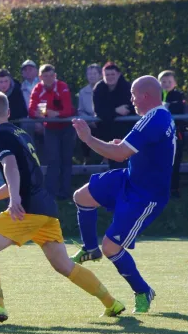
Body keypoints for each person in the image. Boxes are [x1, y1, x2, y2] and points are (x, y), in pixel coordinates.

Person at [0, 92, 125, 322]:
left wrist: (15, 200)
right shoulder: (22, 134)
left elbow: (11, 167)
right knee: (64, 265)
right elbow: (21, 176)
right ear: (8, 113)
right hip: (46, 209)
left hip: (27, 209)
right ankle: (112, 302)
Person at [71, 76, 175, 314]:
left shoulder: (154, 119)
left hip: (145, 195)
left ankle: (142, 290)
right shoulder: (157, 116)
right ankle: (90, 248)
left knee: (111, 247)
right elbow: (134, 150)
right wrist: (123, 147)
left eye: (134, 95)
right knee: (82, 197)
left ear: (146, 96)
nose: (131, 100)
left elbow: (118, 154)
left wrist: (88, 138)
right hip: (130, 179)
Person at [28, 64, 75, 200]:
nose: (48, 79)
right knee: (53, 160)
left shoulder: (62, 86)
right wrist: (38, 114)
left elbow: (68, 110)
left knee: (66, 160)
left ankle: (66, 193)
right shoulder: (37, 88)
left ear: (55, 76)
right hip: (50, 128)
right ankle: (51, 193)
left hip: (66, 127)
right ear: (40, 77)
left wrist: (56, 114)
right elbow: (31, 109)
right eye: (45, 76)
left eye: (51, 76)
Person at [93, 62, 135, 169]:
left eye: (112, 74)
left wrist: (109, 111)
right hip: (105, 133)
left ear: (119, 74)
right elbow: (99, 111)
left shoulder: (127, 88)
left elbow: (129, 109)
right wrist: (115, 110)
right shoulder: (99, 88)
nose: (110, 77)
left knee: (125, 164)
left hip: (125, 132)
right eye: (107, 75)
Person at [158, 70, 185, 198]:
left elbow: (179, 110)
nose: (166, 84)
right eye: (163, 81)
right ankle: (160, 190)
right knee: (159, 162)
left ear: (175, 83)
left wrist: (167, 107)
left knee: (175, 163)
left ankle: (174, 189)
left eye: (169, 81)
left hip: (176, 134)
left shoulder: (179, 95)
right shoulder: (155, 95)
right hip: (158, 135)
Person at [77, 64, 103, 164]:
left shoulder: (105, 89)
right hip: (89, 122)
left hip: (103, 121)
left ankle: (107, 158)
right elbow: (80, 110)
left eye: (94, 73)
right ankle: (86, 159)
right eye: (89, 74)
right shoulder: (82, 92)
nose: (92, 76)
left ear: (100, 75)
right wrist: (90, 120)